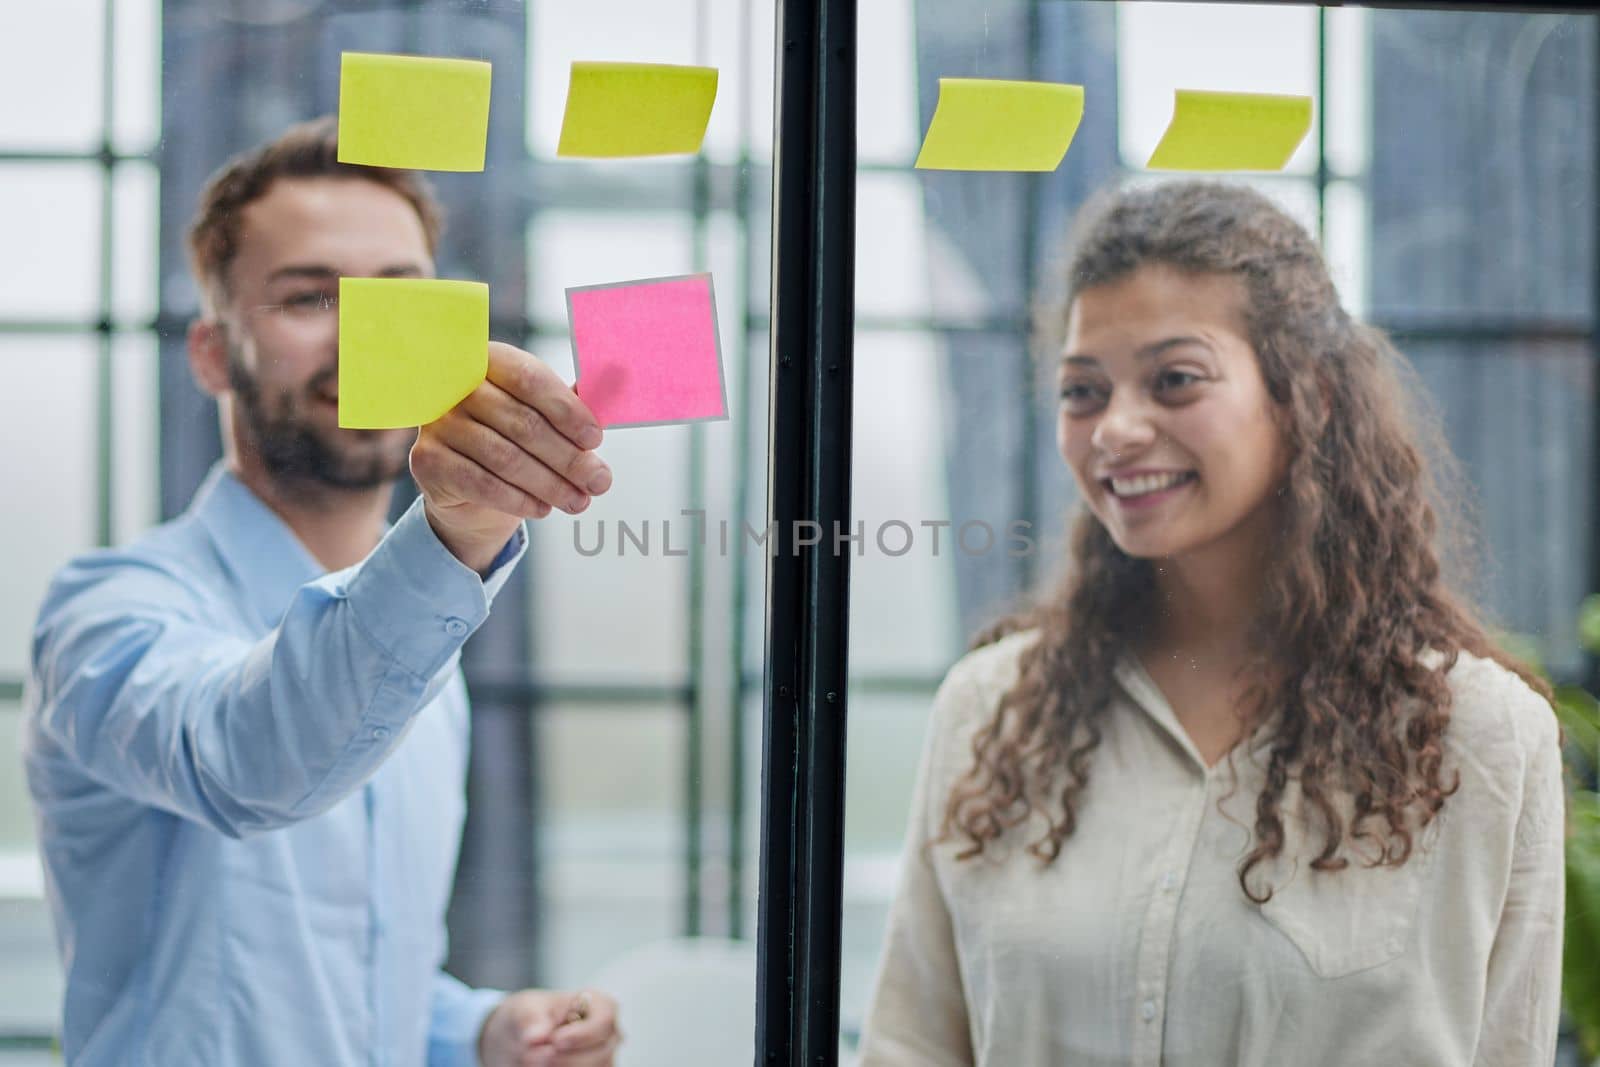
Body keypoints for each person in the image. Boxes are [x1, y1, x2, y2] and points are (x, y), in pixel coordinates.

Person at [857, 180, 1566, 1066]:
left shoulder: (1481, 737)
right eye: (1083, 390)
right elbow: (910, 1047)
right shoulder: (990, 711)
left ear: (1302, 395)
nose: (1114, 428)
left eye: (1174, 379)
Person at [22, 116, 623, 1066]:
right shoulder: (108, 614)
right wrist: (452, 538)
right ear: (213, 352)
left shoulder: (431, 642)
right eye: (309, 299)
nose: (366, 342)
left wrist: (475, 1028)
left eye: (400, 299)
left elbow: (351, 979)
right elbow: (250, 759)